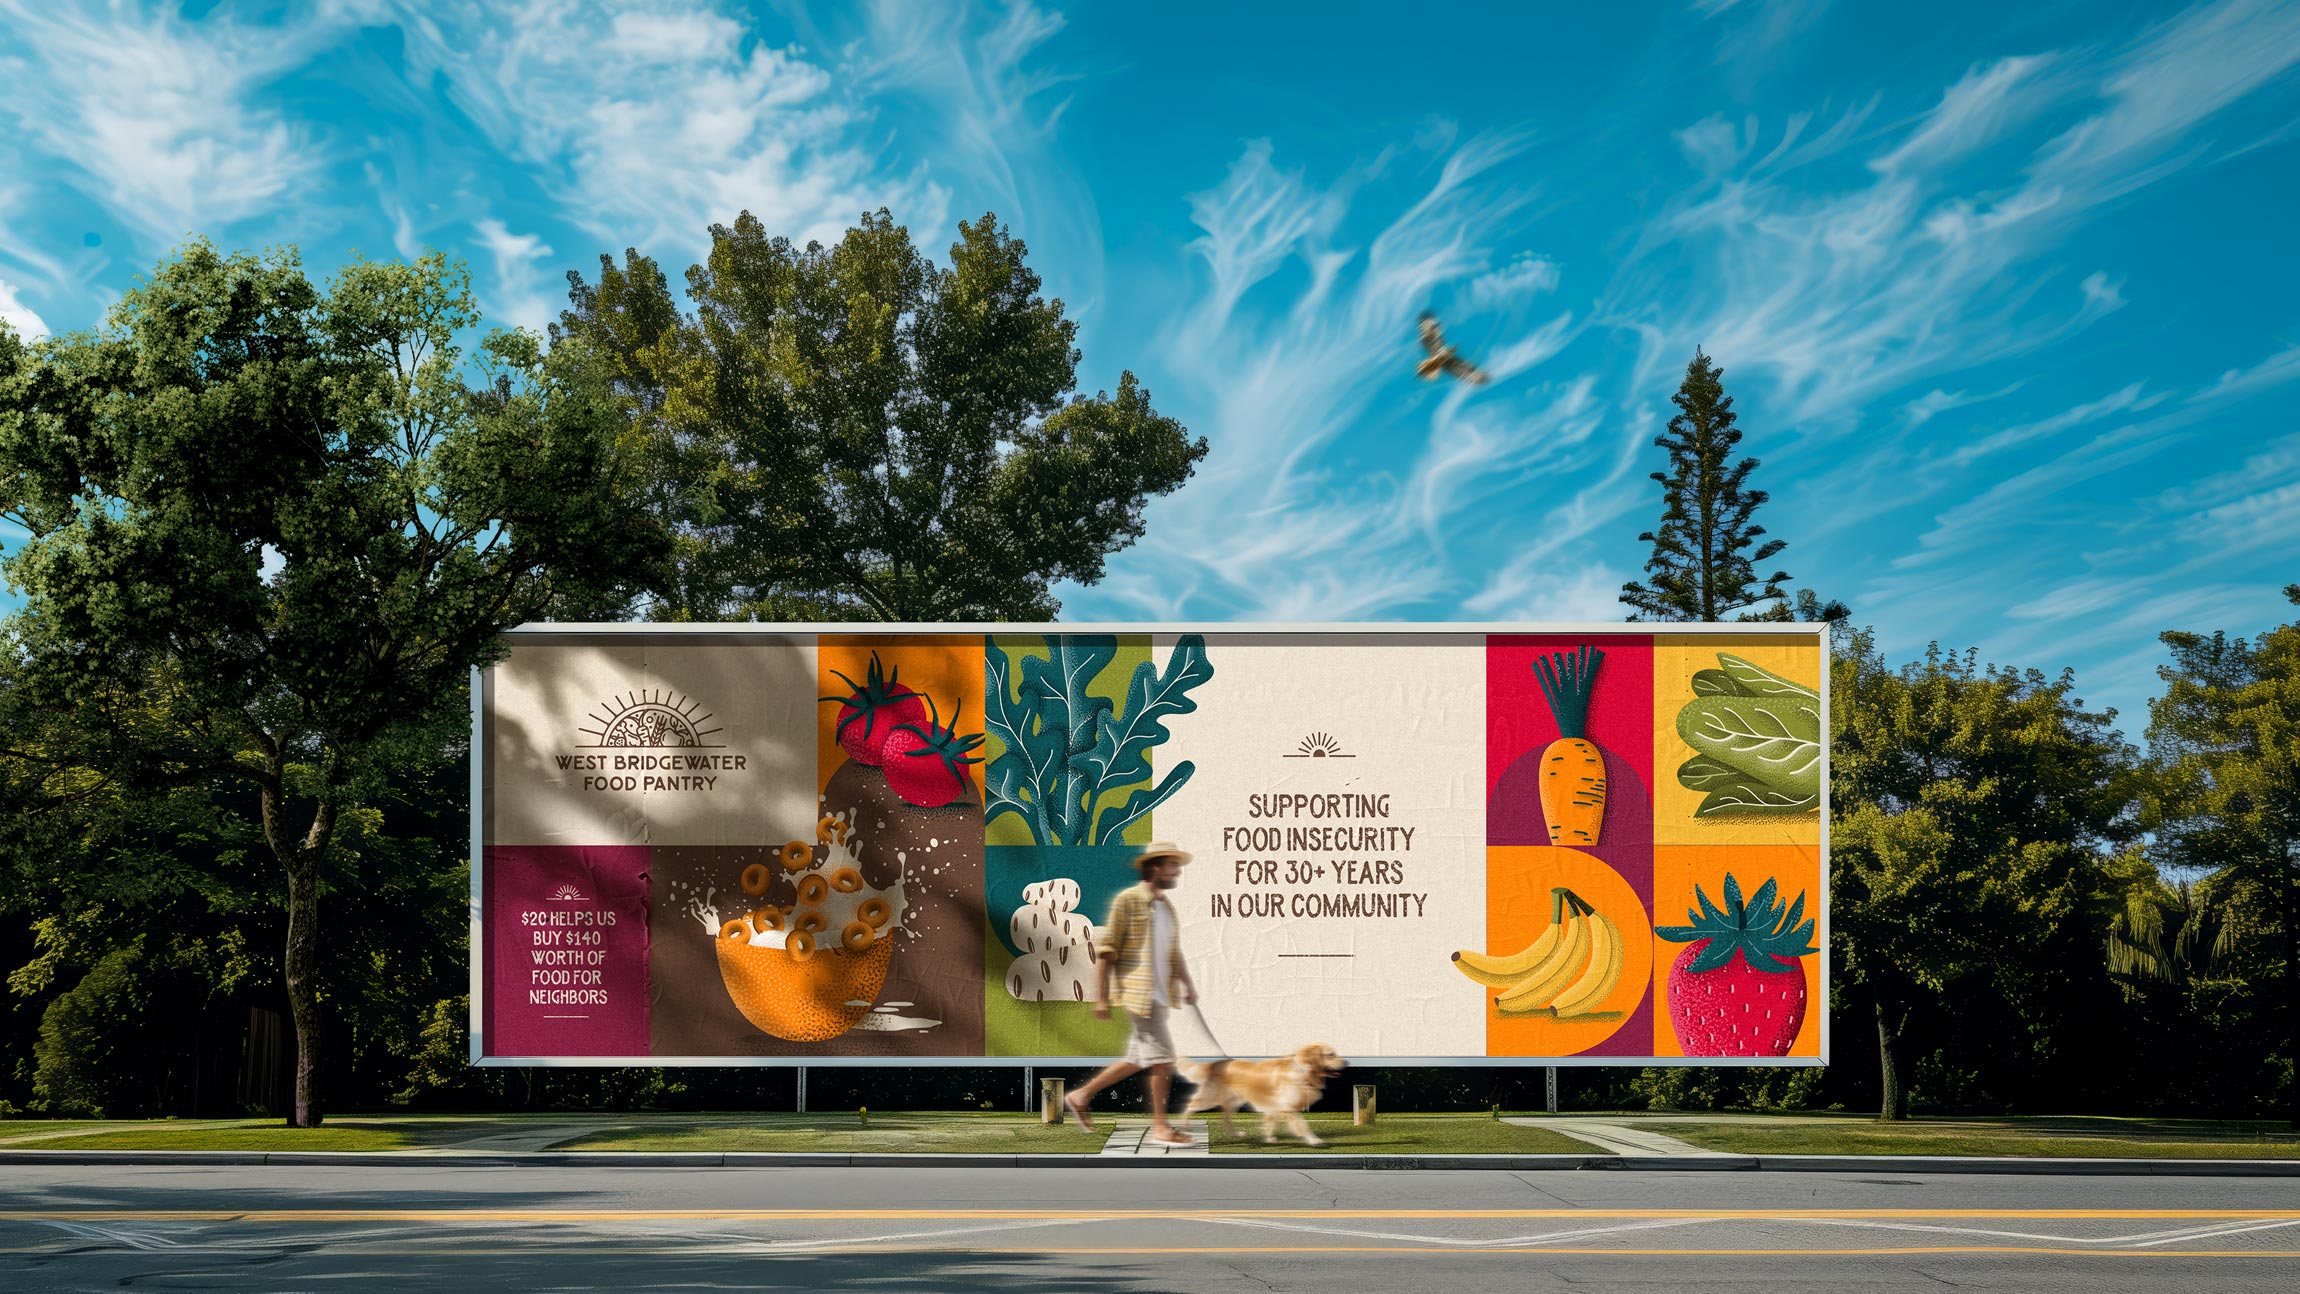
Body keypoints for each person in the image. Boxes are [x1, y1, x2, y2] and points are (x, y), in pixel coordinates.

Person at [1063, 842, 1199, 1145]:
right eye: (1172, 866)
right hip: (1141, 995)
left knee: (1139, 1058)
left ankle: (1081, 1095)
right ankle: (1162, 1128)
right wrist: (1101, 997)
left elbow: (1173, 952)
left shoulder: (1165, 906)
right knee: (1162, 1062)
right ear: (1154, 867)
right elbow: (1107, 951)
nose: (1177, 872)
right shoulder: (1129, 901)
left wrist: (1186, 983)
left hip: (1161, 997)